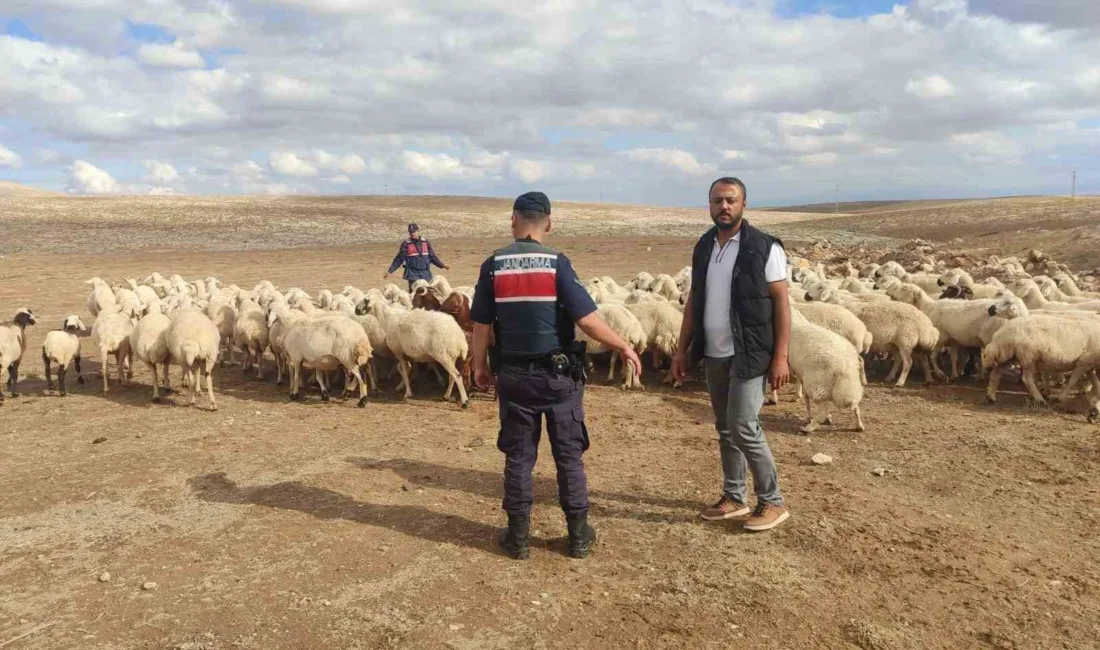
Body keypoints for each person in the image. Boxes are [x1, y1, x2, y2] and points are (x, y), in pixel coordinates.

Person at [470, 191, 643, 560]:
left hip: (514, 377)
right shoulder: (557, 264)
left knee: (518, 457)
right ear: (549, 223)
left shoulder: (493, 265)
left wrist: (480, 365)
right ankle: (578, 536)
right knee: (568, 456)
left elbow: (481, 324)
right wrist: (623, 345)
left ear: (513, 220)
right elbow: (587, 320)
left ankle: (517, 538)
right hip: (558, 378)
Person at [670, 177, 792, 532]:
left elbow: (781, 301)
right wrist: (681, 350)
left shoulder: (764, 247)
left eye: (731, 200)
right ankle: (734, 496)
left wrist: (781, 356)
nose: (724, 207)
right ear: (709, 205)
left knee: (743, 424)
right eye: (717, 201)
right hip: (714, 351)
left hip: (750, 351)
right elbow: (695, 298)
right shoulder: (705, 246)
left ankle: (772, 501)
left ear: (744, 205)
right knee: (725, 428)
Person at [384, 223, 448, 290]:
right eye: (411, 232)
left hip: (425, 273)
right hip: (412, 274)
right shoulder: (406, 244)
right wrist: (390, 271)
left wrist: (442, 265)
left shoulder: (425, 242)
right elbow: (399, 259)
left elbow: (432, 257)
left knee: (429, 293)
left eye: (414, 231)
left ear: (417, 231)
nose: (412, 233)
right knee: (414, 295)